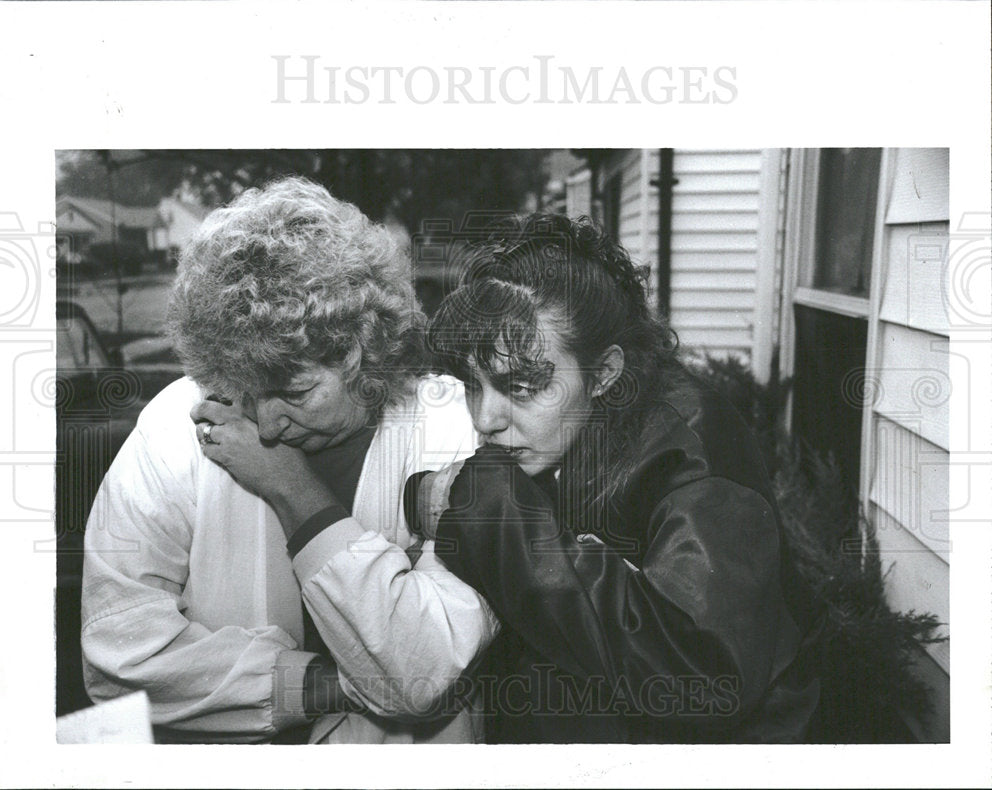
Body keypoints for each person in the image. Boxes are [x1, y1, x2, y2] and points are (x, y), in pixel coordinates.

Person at [80, 177, 498, 744]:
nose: (268, 426)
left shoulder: (457, 429)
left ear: (365, 354)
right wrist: (332, 682)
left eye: (296, 393)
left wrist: (292, 488)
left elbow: (421, 668)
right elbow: (117, 654)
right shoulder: (176, 425)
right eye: (246, 392)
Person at [414, 213, 822, 743]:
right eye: (475, 384)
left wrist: (486, 508)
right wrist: (431, 497)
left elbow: (700, 672)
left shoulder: (694, 456)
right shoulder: (561, 433)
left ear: (604, 372)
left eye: (521, 387)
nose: (485, 418)